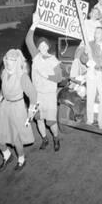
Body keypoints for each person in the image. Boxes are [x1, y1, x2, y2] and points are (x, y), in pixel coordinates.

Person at [0, 49, 38, 171]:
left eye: (12, 60)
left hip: (17, 108)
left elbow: (33, 94)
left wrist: (31, 111)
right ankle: (7, 155)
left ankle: (21, 159)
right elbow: (2, 89)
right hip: (4, 106)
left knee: (16, 139)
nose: (8, 62)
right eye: (7, 58)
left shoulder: (22, 77)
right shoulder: (4, 73)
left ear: (17, 61)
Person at [25, 13, 63, 151]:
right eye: (39, 46)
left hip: (49, 94)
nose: (42, 47)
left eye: (44, 45)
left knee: (51, 121)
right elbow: (28, 40)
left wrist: (45, 75)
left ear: (48, 47)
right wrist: (34, 24)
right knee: (38, 118)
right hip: (37, 94)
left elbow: (59, 78)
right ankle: (44, 139)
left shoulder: (54, 60)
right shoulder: (35, 57)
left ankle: (56, 138)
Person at [79, 26, 102, 129]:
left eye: (99, 33)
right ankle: (90, 119)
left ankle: (101, 121)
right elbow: (83, 60)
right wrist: (85, 53)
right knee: (90, 96)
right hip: (91, 72)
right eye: (95, 33)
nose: (97, 35)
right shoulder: (90, 45)